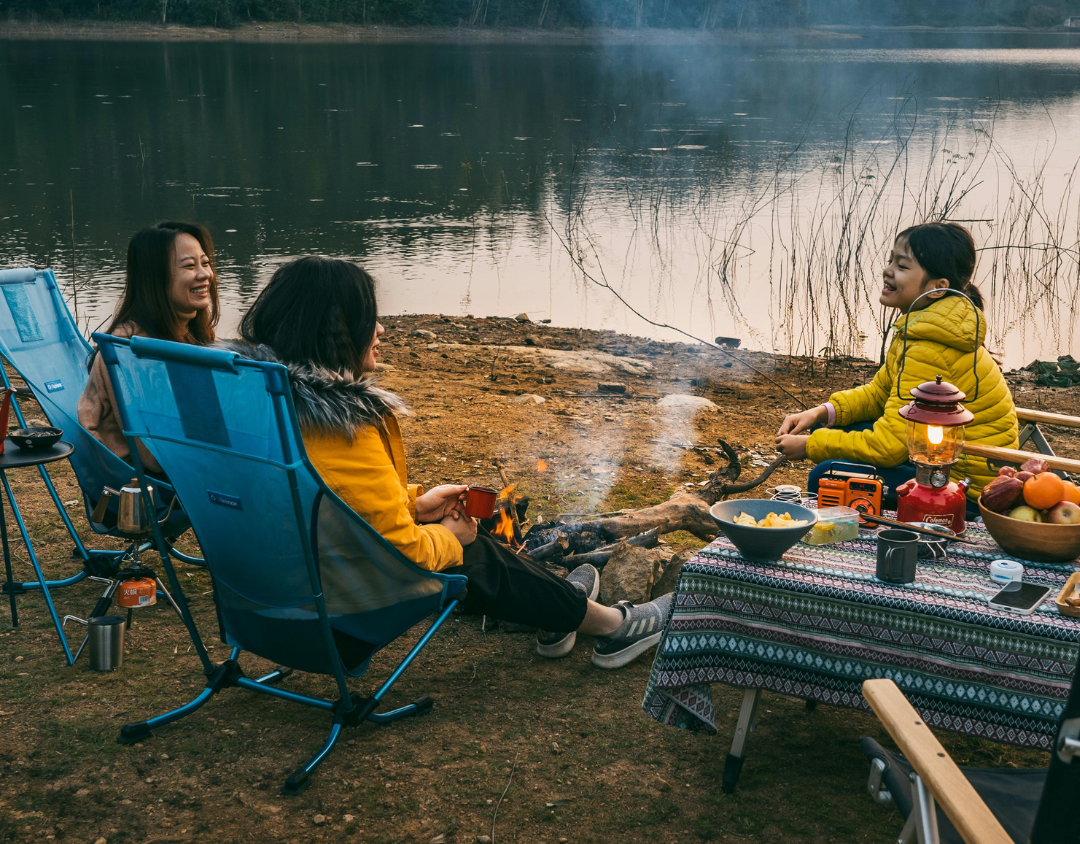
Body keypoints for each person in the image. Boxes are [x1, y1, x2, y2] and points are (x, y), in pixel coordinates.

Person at [235, 256, 672, 669]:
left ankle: (558, 608)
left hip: (258, 607)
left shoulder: (254, 407)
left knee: (467, 544)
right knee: (475, 551)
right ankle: (614, 625)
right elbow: (405, 554)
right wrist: (451, 534)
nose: (381, 329)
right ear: (337, 330)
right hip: (334, 623)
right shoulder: (345, 429)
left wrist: (415, 506)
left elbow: (321, 500)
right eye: (370, 317)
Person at [775, 222, 1017, 508]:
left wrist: (808, 447)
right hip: (943, 460)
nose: (887, 270)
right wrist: (821, 414)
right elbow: (881, 394)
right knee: (829, 435)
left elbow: (889, 447)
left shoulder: (931, 346)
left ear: (938, 288)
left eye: (901, 266)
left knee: (825, 475)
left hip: (965, 488)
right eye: (890, 261)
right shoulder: (926, 325)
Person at [78, 220, 219, 476]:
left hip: (185, 476)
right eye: (189, 266)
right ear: (155, 277)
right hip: (154, 490)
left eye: (205, 263)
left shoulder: (184, 335)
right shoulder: (130, 352)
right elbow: (156, 453)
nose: (205, 274)